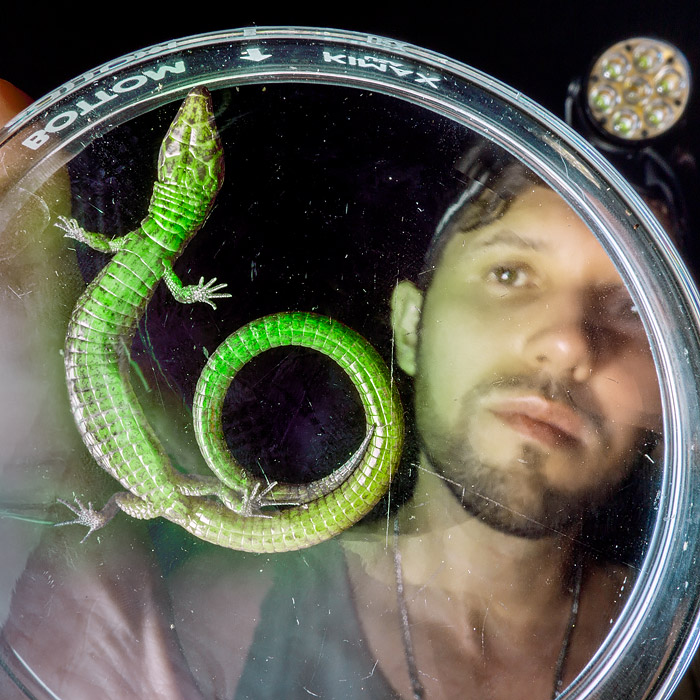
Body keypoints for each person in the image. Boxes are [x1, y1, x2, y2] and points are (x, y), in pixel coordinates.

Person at [0, 81, 683, 699]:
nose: (566, 341)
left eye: (631, 306)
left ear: (676, 384)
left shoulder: (684, 639)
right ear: (409, 324)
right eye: (509, 274)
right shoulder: (199, 620)